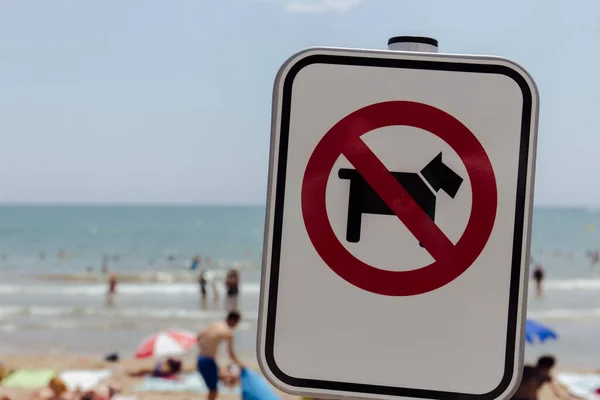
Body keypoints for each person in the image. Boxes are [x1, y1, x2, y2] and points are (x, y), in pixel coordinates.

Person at [196, 311, 243, 400]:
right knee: (214, 390)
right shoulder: (228, 332)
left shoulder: (215, 324)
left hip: (200, 358)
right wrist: (240, 363)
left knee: (216, 383)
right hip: (208, 361)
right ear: (233, 321)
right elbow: (230, 353)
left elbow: (199, 337)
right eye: (236, 323)